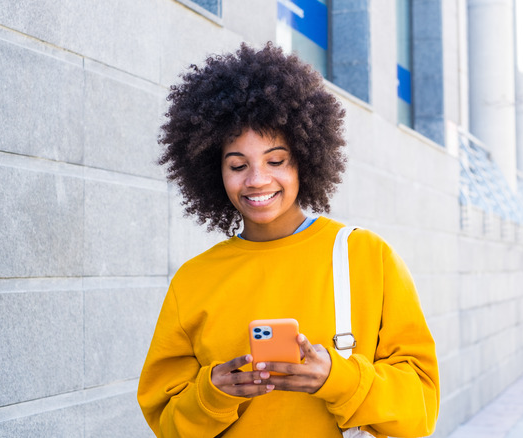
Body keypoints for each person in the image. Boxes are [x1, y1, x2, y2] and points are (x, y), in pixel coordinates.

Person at [137, 43, 440, 438]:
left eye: (275, 160)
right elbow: (166, 422)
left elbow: (421, 410)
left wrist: (339, 378)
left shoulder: (366, 256)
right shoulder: (193, 281)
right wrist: (212, 395)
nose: (257, 180)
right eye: (237, 165)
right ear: (214, 172)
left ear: (306, 158)